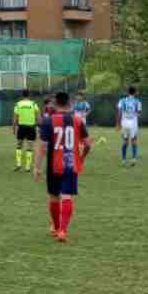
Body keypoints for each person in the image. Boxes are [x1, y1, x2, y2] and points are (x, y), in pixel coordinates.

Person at [34, 91, 91, 243]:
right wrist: (81, 157)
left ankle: (56, 227)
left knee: (54, 196)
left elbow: (43, 146)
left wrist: (37, 167)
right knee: (66, 195)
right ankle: (62, 231)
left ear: (55, 104)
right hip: (71, 164)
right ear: (70, 104)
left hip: (54, 165)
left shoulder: (48, 121)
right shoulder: (78, 121)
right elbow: (87, 144)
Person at [12, 90, 40, 172]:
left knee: (19, 145)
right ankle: (27, 167)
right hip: (31, 127)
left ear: (22, 95)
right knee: (30, 146)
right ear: (29, 95)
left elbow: (15, 117)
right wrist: (40, 126)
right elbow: (38, 116)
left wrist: (13, 128)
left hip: (21, 127)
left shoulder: (18, 104)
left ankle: (18, 164)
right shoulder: (33, 104)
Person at [116, 86, 142, 167]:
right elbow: (139, 113)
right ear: (135, 92)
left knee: (125, 141)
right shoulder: (138, 102)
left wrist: (118, 124)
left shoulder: (122, 100)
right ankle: (133, 159)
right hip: (133, 122)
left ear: (127, 92)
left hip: (124, 122)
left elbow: (119, 112)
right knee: (134, 140)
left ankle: (123, 160)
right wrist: (134, 114)